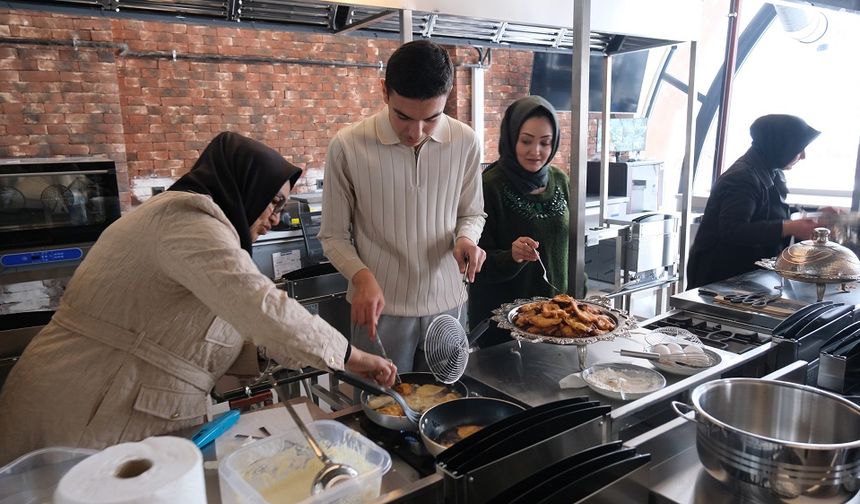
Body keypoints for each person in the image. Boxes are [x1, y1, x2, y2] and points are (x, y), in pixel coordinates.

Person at [0, 132, 396, 464]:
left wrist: (261, 354)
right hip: (84, 407)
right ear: (245, 185)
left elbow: (193, 328)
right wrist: (352, 358)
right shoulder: (187, 220)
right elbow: (263, 308)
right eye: (274, 201)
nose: (276, 217)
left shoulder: (192, 225)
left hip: (107, 403)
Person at [319, 40, 487, 372]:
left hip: (448, 304)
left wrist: (467, 239)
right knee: (381, 411)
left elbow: (471, 212)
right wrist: (361, 276)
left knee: (448, 408)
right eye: (403, 116)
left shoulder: (465, 142)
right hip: (380, 311)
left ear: (447, 98)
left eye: (431, 119)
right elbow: (333, 236)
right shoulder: (348, 146)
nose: (416, 132)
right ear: (385, 92)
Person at [469, 96, 578, 345]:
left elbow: (572, 246)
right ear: (511, 138)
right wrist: (512, 255)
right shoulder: (490, 186)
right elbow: (475, 263)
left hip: (558, 321)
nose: (536, 151)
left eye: (545, 142)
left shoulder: (561, 181)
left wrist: (578, 305)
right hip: (504, 326)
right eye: (526, 141)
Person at [687, 114, 821, 288]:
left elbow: (772, 211)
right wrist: (787, 227)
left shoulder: (771, 170)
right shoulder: (742, 177)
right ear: (781, 146)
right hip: (719, 276)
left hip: (743, 274)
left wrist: (818, 212)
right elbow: (732, 230)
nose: (803, 156)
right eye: (798, 148)